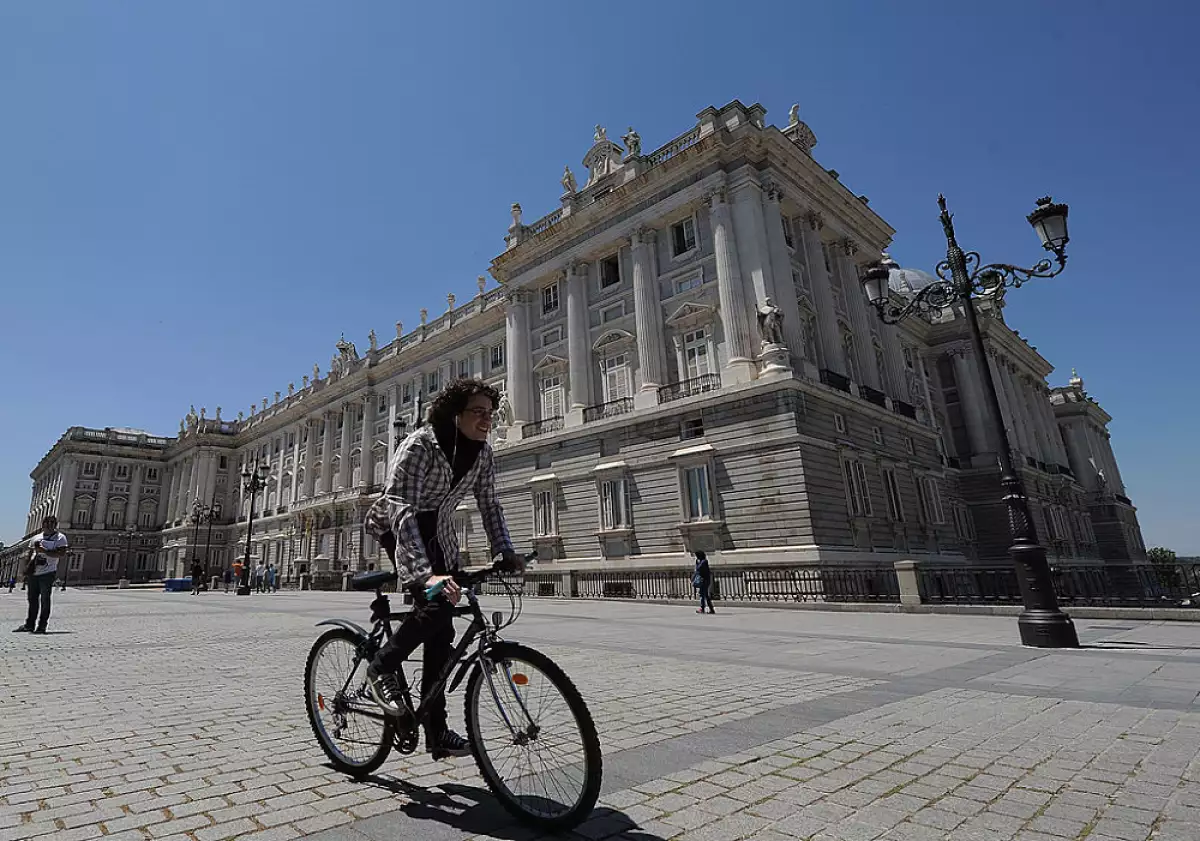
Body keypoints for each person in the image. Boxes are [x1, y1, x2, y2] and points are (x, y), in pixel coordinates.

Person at [363, 378, 523, 760]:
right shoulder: (419, 444)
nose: (487, 420)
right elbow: (401, 509)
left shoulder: (483, 453)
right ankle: (381, 668)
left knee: (443, 630)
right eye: (478, 412)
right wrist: (425, 575)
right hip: (399, 526)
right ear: (455, 414)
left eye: (490, 413)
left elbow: (489, 503)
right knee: (434, 605)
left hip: (440, 533)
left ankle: (436, 732)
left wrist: (506, 550)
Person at [14, 516, 68, 634]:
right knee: (32, 599)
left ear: (55, 525)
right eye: (46, 523)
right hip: (34, 572)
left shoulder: (60, 538)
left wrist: (45, 551)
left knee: (45, 599)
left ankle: (42, 625)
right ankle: (29, 624)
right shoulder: (36, 538)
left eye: (51, 523)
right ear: (42, 524)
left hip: (48, 572)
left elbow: (61, 553)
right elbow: (29, 554)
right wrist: (26, 569)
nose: (48, 526)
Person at [693, 550, 714, 615]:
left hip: (704, 580)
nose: (696, 557)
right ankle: (710, 609)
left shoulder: (704, 562)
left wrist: (697, 563)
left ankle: (702, 608)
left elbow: (698, 568)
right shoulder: (703, 561)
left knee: (702, 594)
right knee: (705, 595)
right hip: (704, 580)